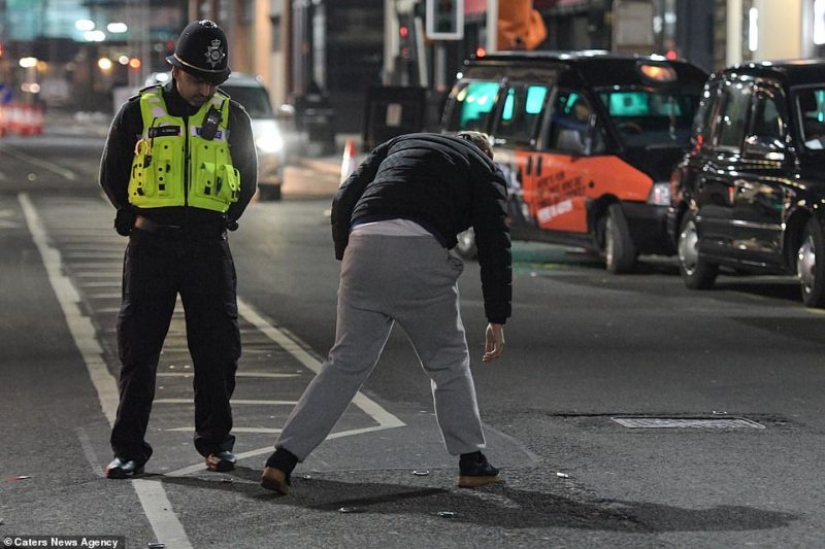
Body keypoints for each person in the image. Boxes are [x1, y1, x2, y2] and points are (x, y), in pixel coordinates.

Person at [260, 131, 512, 495]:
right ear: (485, 153)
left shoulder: (400, 143)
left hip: (363, 244)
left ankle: (282, 460)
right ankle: (471, 462)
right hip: (421, 252)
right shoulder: (482, 167)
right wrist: (496, 317)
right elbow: (494, 243)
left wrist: (347, 254)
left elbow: (344, 196)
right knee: (447, 361)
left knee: (345, 363)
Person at [98, 19, 258, 478]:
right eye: (197, 80)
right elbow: (112, 172)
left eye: (213, 82)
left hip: (207, 247)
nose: (205, 90)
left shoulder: (231, 115)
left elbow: (247, 175)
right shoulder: (139, 111)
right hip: (152, 246)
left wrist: (226, 217)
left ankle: (216, 444)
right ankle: (129, 449)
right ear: (176, 70)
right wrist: (130, 213)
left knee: (217, 350)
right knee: (139, 351)